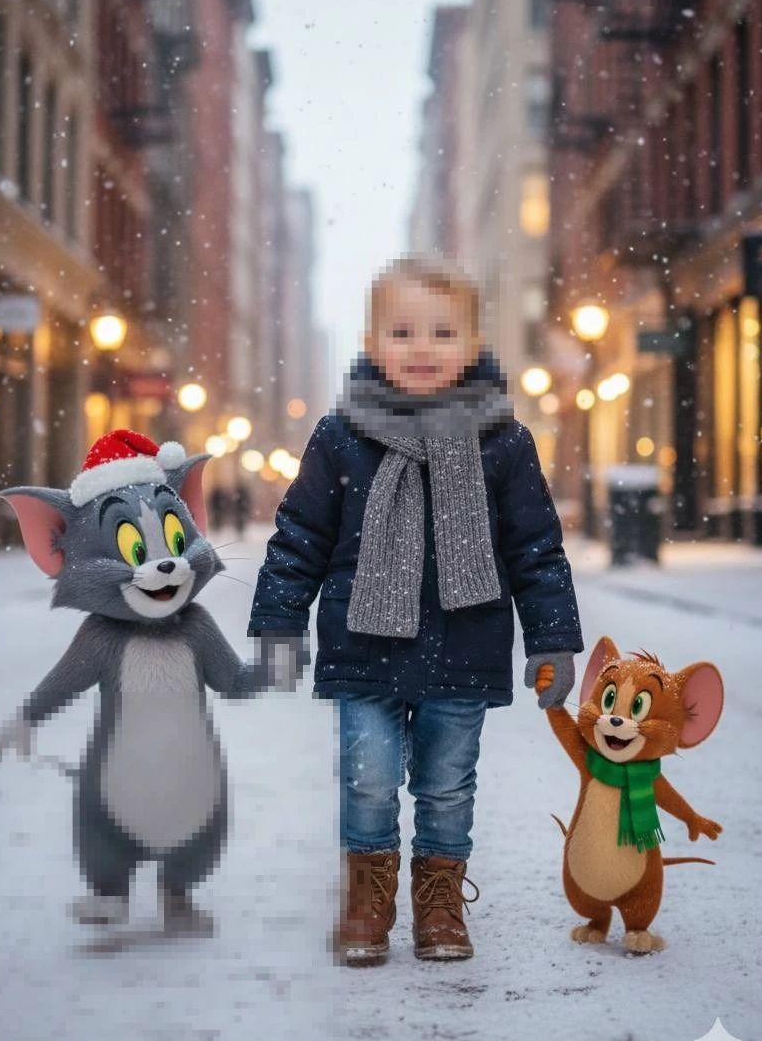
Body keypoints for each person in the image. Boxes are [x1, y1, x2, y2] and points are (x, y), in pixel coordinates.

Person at [248, 254, 584, 965]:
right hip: (361, 643)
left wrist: (551, 638)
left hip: (466, 643)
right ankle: (368, 901)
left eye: (441, 332)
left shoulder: (504, 442)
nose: (423, 348)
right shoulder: (340, 436)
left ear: (472, 346)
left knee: (445, 787)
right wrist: (279, 621)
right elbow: (300, 536)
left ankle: (439, 906)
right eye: (402, 332)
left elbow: (535, 549)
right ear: (371, 344)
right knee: (367, 779)